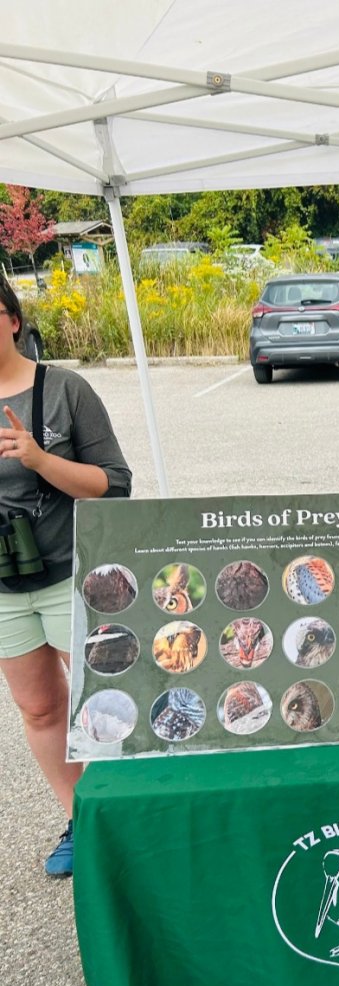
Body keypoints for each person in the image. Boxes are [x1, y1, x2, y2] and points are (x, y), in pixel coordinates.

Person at [0, 278, 131, 877]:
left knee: (106, 702)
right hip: (4, 591)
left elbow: (115, 484)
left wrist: (39, 459)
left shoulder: (63, 390)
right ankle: (82, 819)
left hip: (69, 575)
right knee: (39, 711)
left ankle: (125, 813)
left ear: (13, 320)